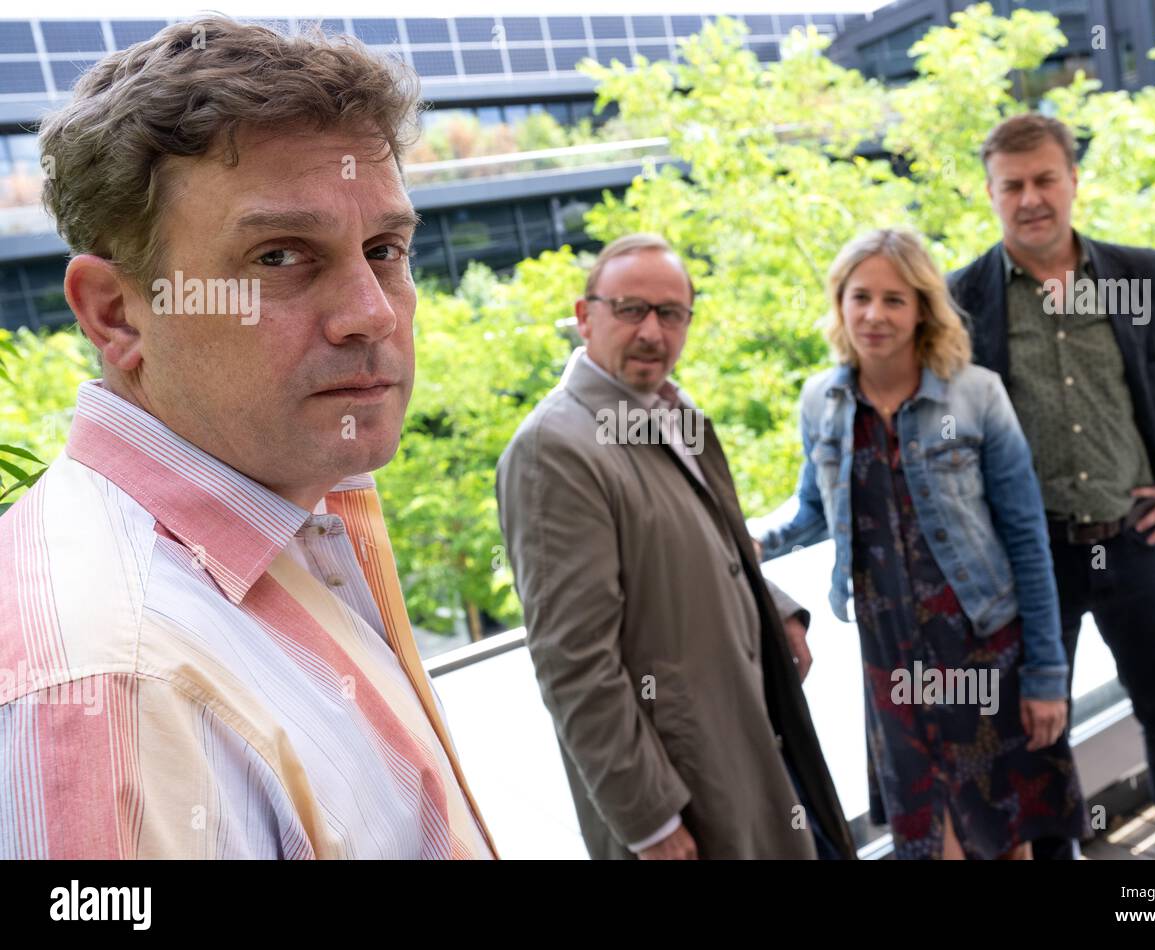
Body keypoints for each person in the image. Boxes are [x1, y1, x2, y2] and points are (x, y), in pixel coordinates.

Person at [0, 18, 494, 859]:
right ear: (117, 313)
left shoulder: (290, 502)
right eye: (279, 256)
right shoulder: (117, 685)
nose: (372, 312)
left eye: (384, 249)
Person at [949, 113, 1155, 860]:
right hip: (1032, 564)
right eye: (1012, 186)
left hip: (1134, 541)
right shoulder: (964, 301)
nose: (1031, 199)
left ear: (1072, 180)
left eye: (1045, 179)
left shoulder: (1140, 278)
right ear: (990, 195)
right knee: (1037, 736)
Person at [496, 234, 856, 860]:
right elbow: (573, 663)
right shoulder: (554, 450)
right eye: (630, 309)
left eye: (671, 314)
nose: (652, 332)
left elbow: (700, 537)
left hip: (750, 731)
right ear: (585, 316)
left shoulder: (668, 407)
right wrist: (650, 823)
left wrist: (775, 610)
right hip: (685, 787)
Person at [753, 229, 1085, 860]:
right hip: (891, 662)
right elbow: (814, 509)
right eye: (860, 297)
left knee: (1005, 840)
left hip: (984, 650)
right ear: (840, 302)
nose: (874, 315)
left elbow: (1027, 539)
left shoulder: (976, 394)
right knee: (932, 845)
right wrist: (756, 538)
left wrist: (1046, 675)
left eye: (894, 300)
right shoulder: (820, 401)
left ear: (923, 308)